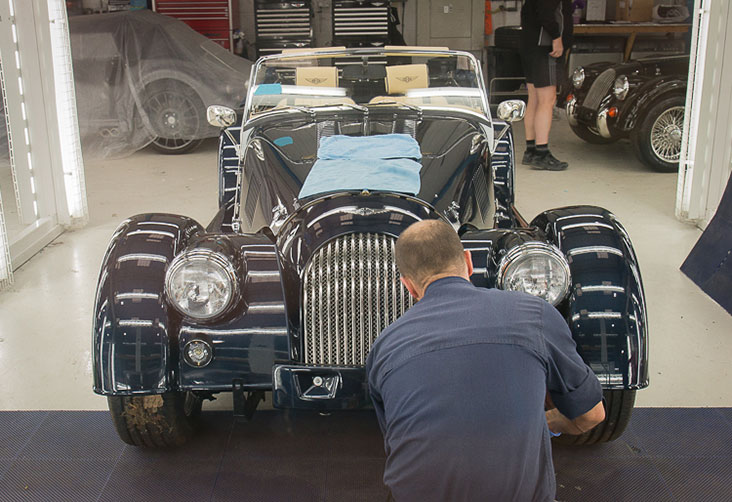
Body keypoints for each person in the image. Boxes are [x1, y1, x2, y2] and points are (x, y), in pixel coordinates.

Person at [366, 220, 605, 502]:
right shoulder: (534, 315)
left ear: (409, 286)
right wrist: (545, 424)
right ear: (468, 262)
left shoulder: (384, 348)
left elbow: (399, 437)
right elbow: (592, 416)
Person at [520, 0, 574, 171]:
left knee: (534, 99)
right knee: (547, 101)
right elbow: (547, 13)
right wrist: (557, 38)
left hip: (531, 45)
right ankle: (542, 153)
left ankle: (531, 150)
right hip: (546, 47)